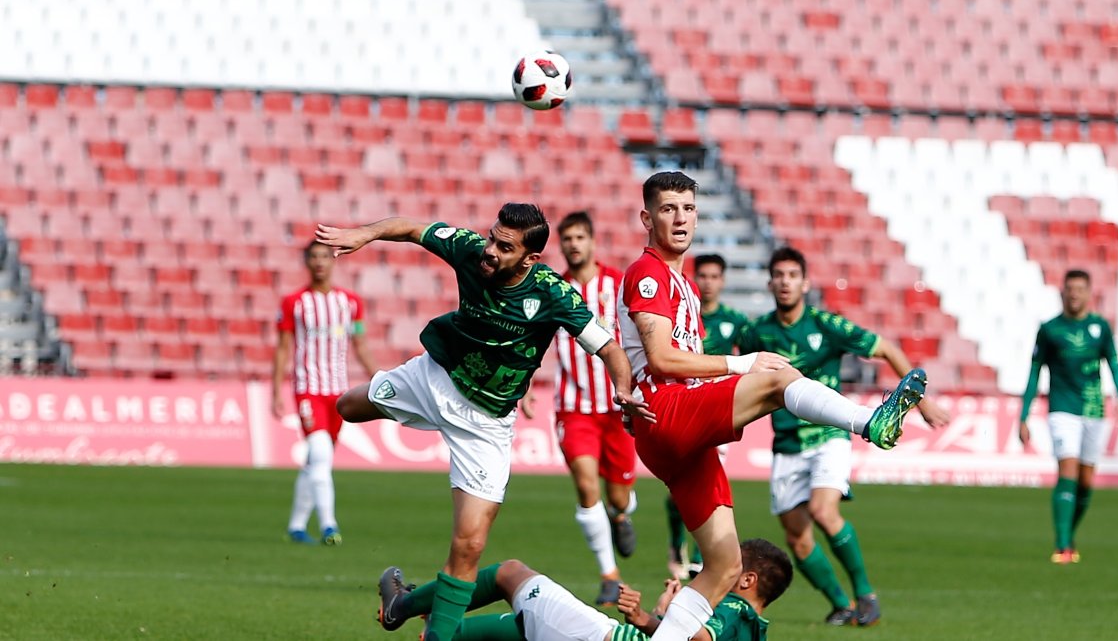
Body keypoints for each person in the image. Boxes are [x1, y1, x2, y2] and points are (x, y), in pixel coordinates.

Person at [314, 204, 647, 641]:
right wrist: (363, 233)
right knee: (346, 408)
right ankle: (408, 604)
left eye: (504, 247)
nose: (490, 250)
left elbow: (609, 350)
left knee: (469, 546)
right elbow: (412, 226)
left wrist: (623, 390)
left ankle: (407, 610)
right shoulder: (470, 251)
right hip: (434, 377)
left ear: (530, 259)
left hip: (485, 424)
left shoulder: (553, 295)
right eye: (492, 237)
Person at [617, 171, 927, 640]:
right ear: (646, 217)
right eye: (668, 209)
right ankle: (869, 422)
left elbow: (664, 358)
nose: (680, 218)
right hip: (668, 411)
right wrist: (741, 364)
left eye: (688, 208)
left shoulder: (684, 284)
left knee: (724, 566)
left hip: (673, 431)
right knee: (776, 377)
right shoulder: (647, 272)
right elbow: (661, 358)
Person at [739, 246, 952, 626]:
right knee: (797, 540)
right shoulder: (757, 332)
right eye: (779, 275)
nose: (785, 282)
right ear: (770, 282)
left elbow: (885, 348)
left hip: (828, 437)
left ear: (805, 283)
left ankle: (866, 595)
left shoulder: (825, 325)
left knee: (823, 510)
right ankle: (841, 604)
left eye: (792, 275)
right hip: (786, 444)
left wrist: (921, 403)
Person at [520, 211, 639, 605]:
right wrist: (525, 384)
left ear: (591, 241)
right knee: (587, 487)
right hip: (575, 408)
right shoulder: (552, 289)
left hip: (618, 404)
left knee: (618, 495)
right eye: (567, 238)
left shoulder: (618, 286)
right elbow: (533, 338)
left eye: (579, 237)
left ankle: (621, 515)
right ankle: (609, 574)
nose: (572, 244)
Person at [375, 538, 793, 640]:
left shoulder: (736, 608)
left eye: (732, 562)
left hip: (604, 638)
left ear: (746, 580)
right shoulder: (758, 627)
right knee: (527, 627)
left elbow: (699, 639)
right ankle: (439, 625)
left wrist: (653, 617)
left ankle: (403, 606)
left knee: (510, 573)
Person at [272, 240, 378, 546]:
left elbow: (360, 344)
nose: (319, 262)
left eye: (324, 257)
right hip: (308, 390)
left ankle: (296, 527)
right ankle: (329, 525)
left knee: (317, 461)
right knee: (319, 454)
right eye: (314, 257)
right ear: (307, 262)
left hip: (338, 393)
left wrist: (383, 379)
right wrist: (277, 391)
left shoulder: (351, 303)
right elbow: (282, 348)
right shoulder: (294, 302)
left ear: (333, 262)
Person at [1019, 269, 1118, 565]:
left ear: (1089, 292)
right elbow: (1033, 372)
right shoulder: (1050, 329)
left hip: (1094, 409)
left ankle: (1070, 535)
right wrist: (1024, 414)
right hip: (1062, 410)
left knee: (1086, 482)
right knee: (1067, 470)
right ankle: (1062, 544)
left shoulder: (1100, 328)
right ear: (1062, 292)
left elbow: (1114, 363)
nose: (1074, 294)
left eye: (1080, 289)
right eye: (1070, 289)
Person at [660, 254, 752, 581]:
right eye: (704, 276)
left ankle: (701, 559)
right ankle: (676, 545)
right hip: (682, 408)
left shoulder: (735, 321)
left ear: (723, 281)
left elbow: (753, 356)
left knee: (711, 481)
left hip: (716, 412)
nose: (709, 282)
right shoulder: (678, 313)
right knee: (677, 493)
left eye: (715, 276)